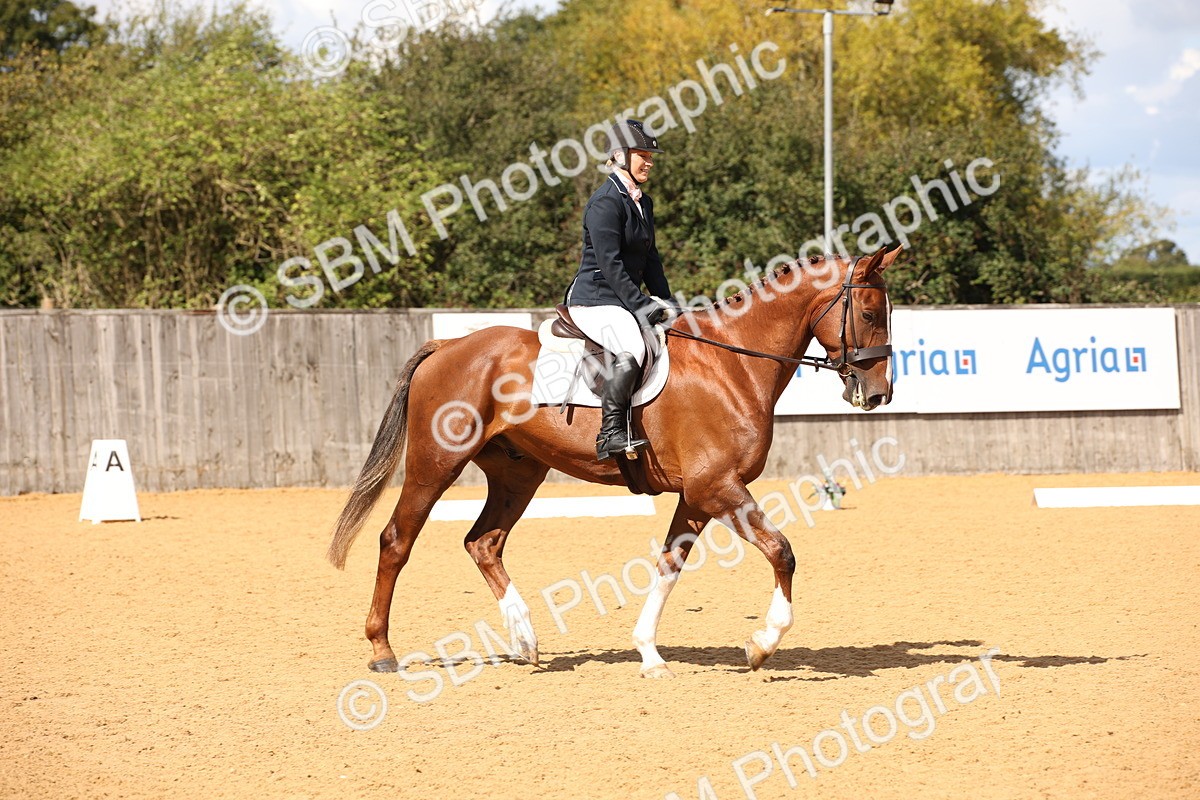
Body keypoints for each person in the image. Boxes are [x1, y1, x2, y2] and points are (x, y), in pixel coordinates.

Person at [564, 119, 680, 461]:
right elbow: (611, 264)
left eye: (650, 155)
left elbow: (651, 258)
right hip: (595, 299)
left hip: (623, 300)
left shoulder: (644, 202)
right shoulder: (605, 203)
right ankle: (610, 432)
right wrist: (642, 305)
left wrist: (670, 302)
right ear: (619, 156)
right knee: (632, 346)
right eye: (642, 154)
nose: (649, 161)